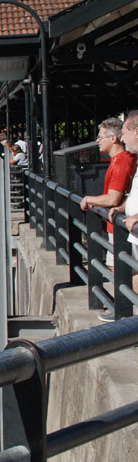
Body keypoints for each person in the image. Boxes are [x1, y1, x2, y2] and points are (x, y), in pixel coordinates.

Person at [83, 118, 137, 269]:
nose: (98, 140)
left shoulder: (121, 162)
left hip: (121, 228)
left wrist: (88, 199)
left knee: (120, 272)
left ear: (113, 138)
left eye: (100, 137)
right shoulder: (120, 160)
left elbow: (113, 198)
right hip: (121, 223)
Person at [109, 111, 138, 319]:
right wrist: (124, 207)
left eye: (125, 133)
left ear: (137, 131)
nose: (122, 138)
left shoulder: (124, 160)